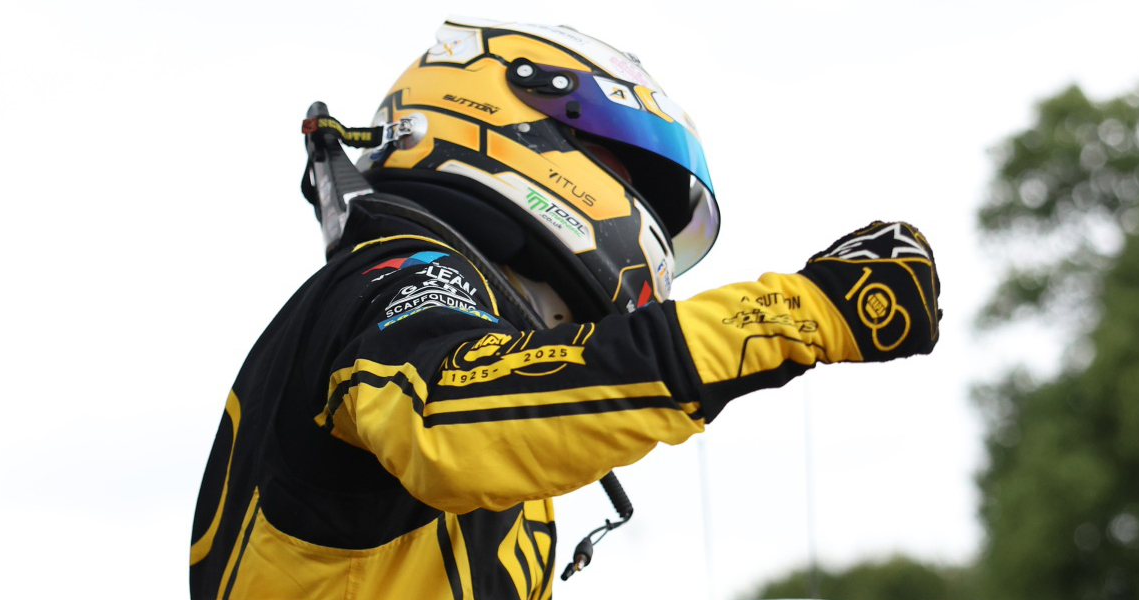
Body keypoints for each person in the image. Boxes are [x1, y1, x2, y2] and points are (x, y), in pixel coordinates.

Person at [189, 17, 943, 600]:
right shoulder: (398, 277)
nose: (646, 223)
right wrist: (800, 312)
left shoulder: (440, 306)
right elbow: (454, 420)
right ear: (506, 120)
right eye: (630, 171)